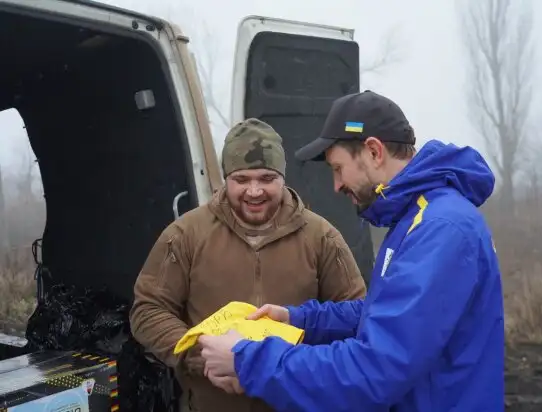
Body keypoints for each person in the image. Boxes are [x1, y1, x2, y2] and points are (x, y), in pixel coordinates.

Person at [197, 91, 505, 411]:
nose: (336, 185)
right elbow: (385, 311)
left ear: (373, 151)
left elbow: (375, 369)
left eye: (338, 168)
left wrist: (247, 359)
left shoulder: (440, 228)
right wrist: (298, 319)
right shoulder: (416, 219)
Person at [129, 118, 367, 412]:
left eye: (267, 178)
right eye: (241, 180)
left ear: (283, 178)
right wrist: (201, 354)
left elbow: (357, 318)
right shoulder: (185, 234)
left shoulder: (322, 237)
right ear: (225, 179)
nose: (254, 191)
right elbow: (148, 310)